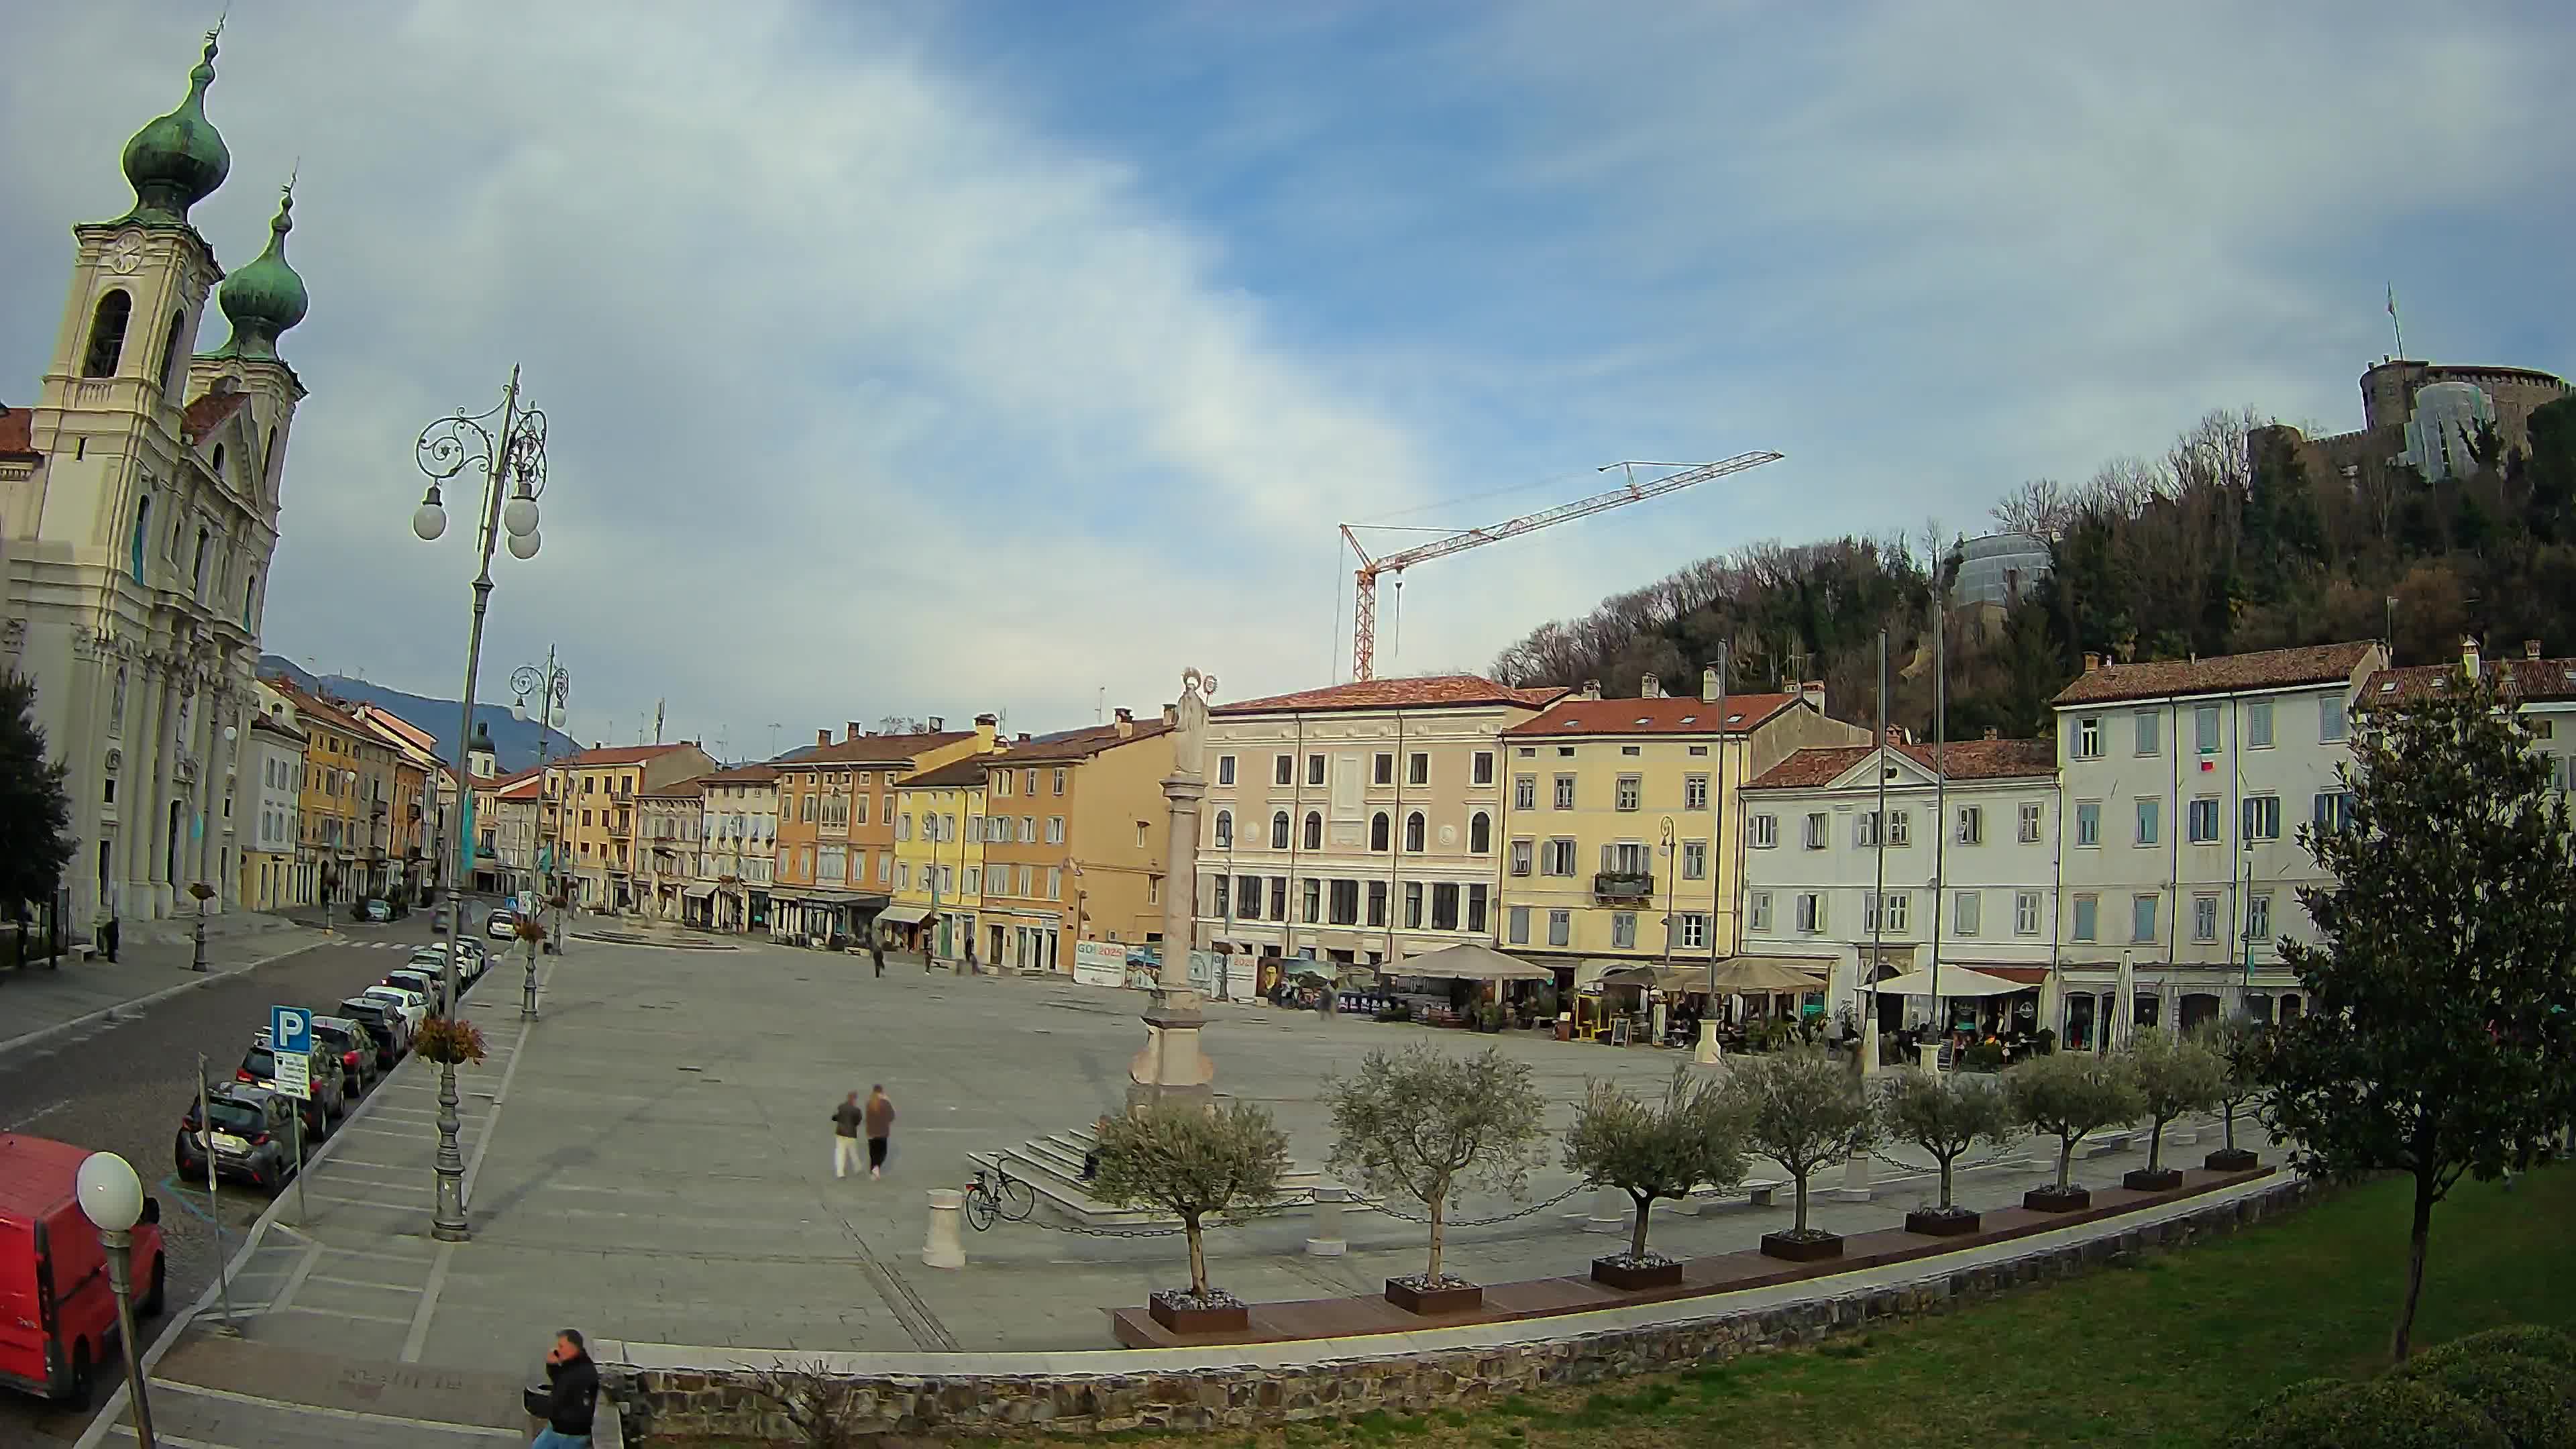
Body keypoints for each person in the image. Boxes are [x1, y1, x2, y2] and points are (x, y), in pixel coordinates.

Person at [529, 1328, 598, 1447]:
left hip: (571, 1432)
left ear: (573, 1347)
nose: (557, 1350)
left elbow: (561, 1397)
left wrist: (538, 1407)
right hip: (559, 1426)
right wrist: (552, 1365)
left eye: (561, 1346)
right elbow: (559, 1381)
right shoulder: (574, 1362)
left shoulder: (582, 1372)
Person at [863, 1083, 896, 1179]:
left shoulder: (869, 1103)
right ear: (881, 1092)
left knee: (873, 1154)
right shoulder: (886, 1104)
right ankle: (876, 1169)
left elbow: (868, 1118)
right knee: (882, 1153)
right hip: (882, 1133)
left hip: (871, 1132)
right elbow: (892, 1117)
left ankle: (873, 1172)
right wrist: (889, 1100)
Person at [831, 1091, 865, 1179]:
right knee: (853, 1151)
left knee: (840, 1153)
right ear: (854, 1100)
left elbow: (834, 1117)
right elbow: (858, 1121)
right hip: (851, 1134)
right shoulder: (857, 1111)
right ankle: (858, 1168)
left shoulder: (841, 1107)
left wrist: (839, 1119)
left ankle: (840, 1173)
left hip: (840, 1133)